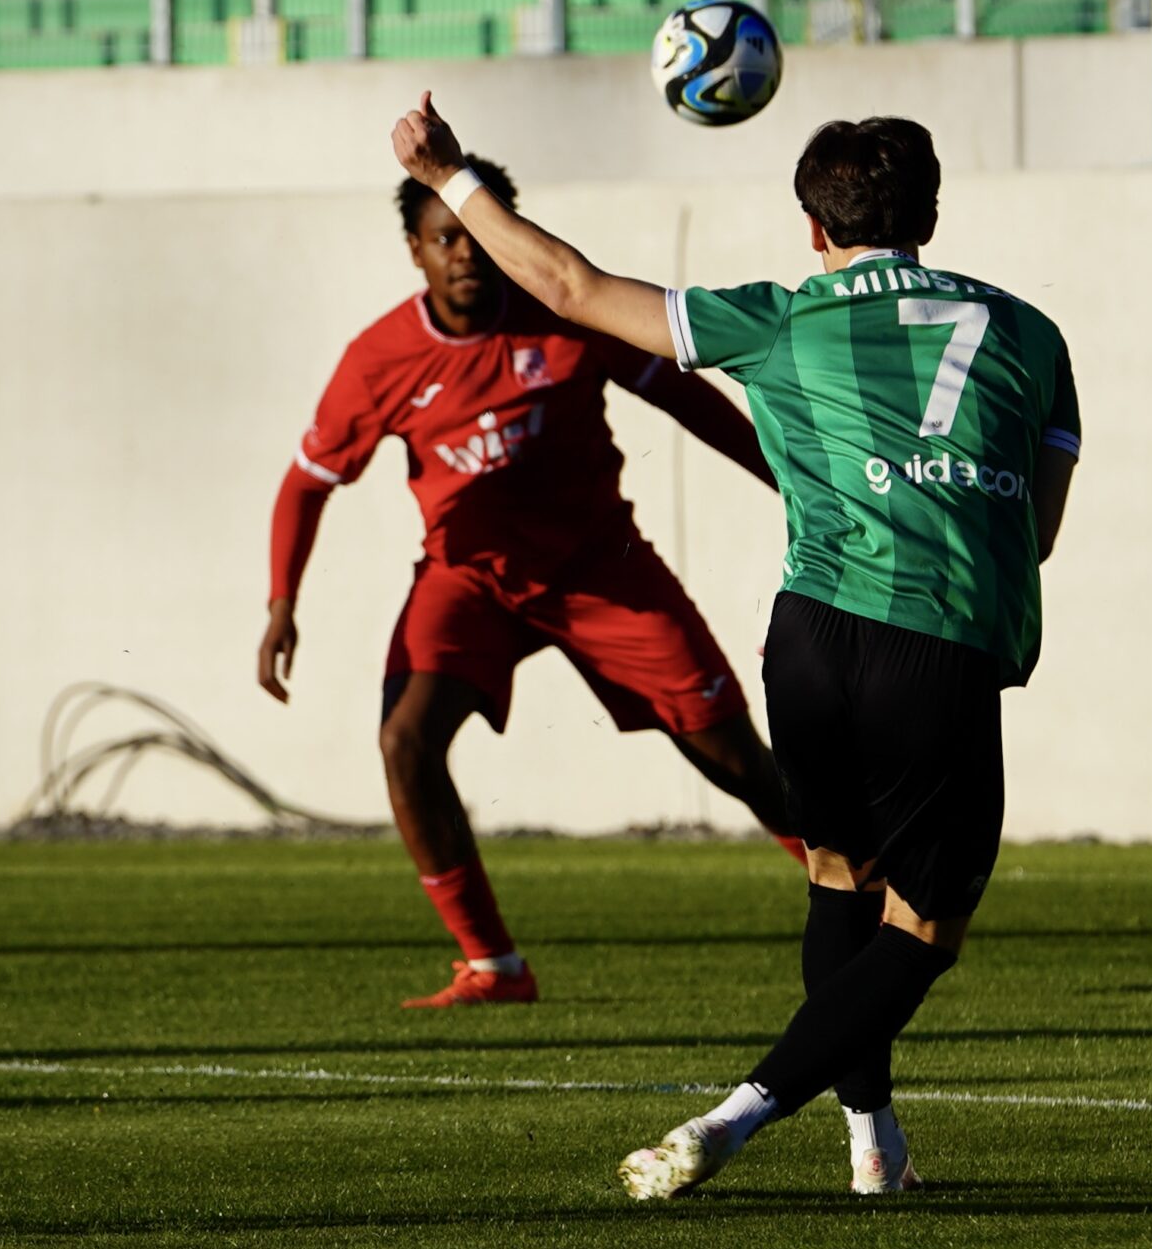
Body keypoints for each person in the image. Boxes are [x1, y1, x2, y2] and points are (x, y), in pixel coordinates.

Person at [391, 100, 1078, 1197]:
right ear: (932, 214)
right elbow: (1035, 530)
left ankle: (874, 1151)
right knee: (924, 927)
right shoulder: (1033, 337)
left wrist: (450, 174)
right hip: (937, 640)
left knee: (838, 875)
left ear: (814, 226)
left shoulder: (780, 319)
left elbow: (569, 286)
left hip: (809, 637)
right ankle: (733, 1118)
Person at [259, 160, 804, 1009]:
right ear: (414, 250)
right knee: (405, 740)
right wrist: (281, 604)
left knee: (736, 757)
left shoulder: (566, 315)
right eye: (445, 239)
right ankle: (493, 965)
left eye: (475, 234)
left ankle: (862, 891)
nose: (464, 253)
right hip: (468, 581)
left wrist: (790, 479)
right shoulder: (378, 359)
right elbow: (306, 483)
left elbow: (688, 401)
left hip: (600, 572)